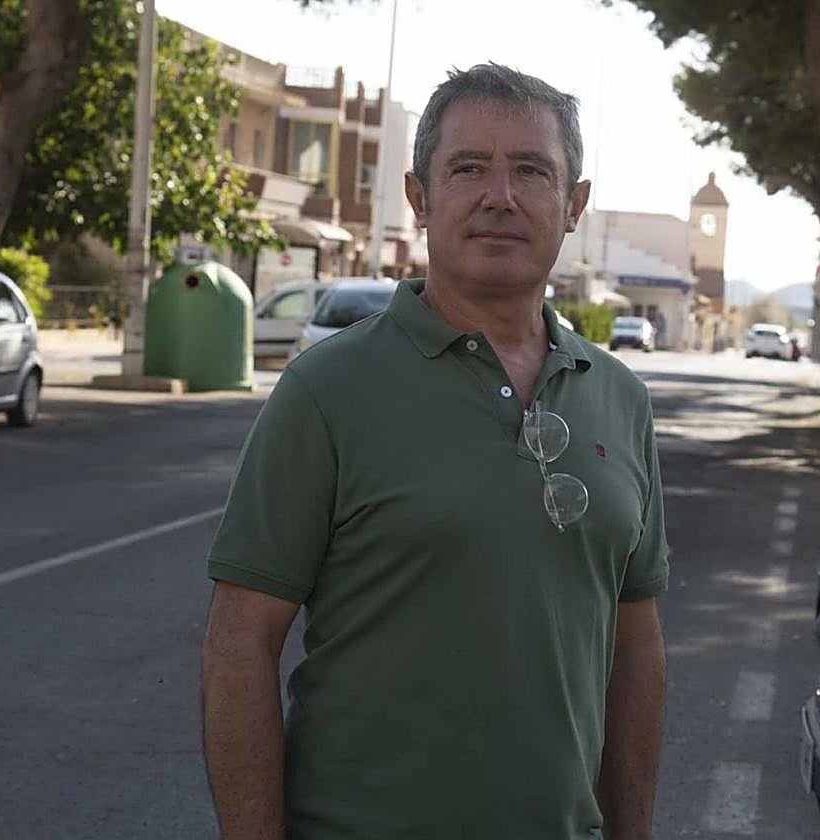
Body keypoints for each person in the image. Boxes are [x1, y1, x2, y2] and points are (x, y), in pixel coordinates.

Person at [202, 63, 670, 840]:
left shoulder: (619, 398)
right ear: (420, 197)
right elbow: (238, 646)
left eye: (531, 170)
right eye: (468, 168)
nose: (500, 195)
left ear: (574, 203)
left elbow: (638, 651)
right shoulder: (327, 389)